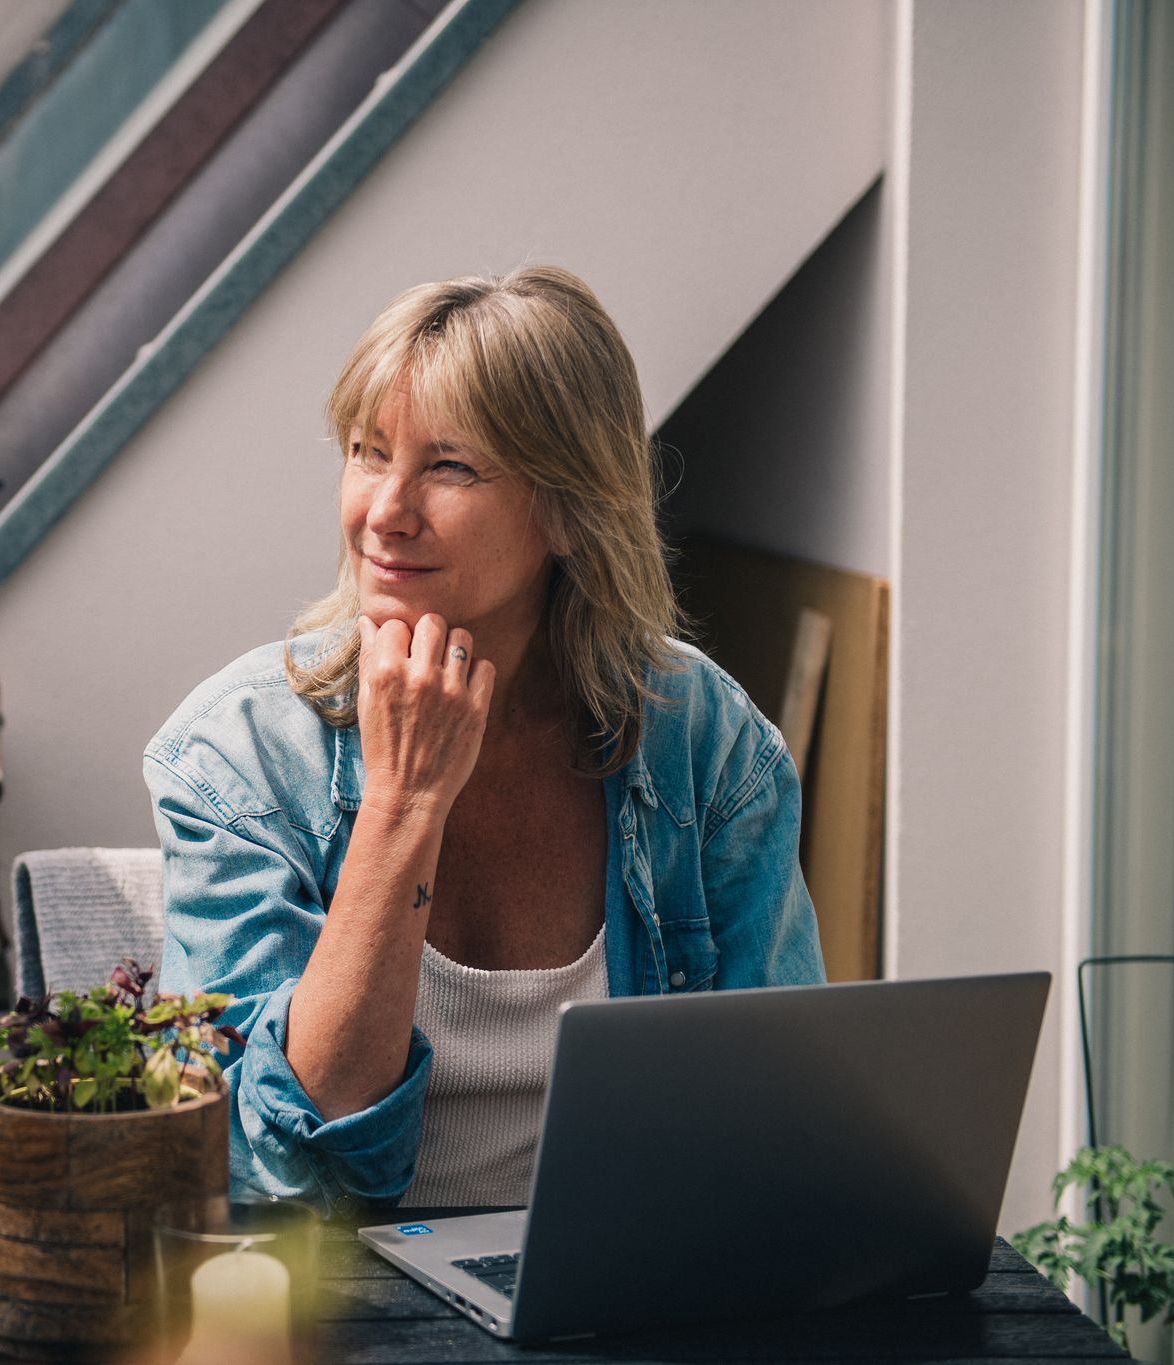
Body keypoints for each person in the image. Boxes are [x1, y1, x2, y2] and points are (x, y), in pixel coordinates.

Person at [144, 266, 823, 1215]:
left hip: (628, 1288)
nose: (385, 510)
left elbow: (777, 1108)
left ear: (571, 509)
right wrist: (402, 804)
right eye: (367, 451)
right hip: (342, 1305)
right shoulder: (238, 757)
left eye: (449, 466)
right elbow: (282, 1162)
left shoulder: (702, 744)